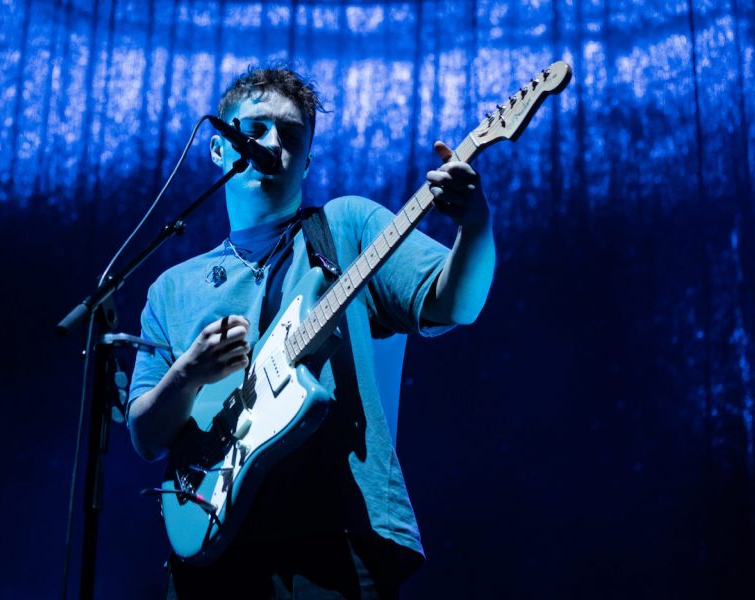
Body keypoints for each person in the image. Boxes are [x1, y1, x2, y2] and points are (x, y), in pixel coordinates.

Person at [127, 65, 496, 598]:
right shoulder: (172, 289)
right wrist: (188, 373)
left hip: (333, 544)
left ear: (306, 162)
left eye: (290, 136)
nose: (271, 143)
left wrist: (474, 223)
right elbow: (145, 436)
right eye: (253, 130)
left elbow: (455, 304)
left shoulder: (345, 229)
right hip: (210, 553)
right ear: (218, 150)